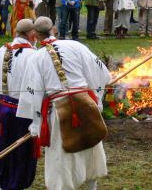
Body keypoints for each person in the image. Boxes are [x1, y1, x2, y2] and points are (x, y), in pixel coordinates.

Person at [17, 17, 110, 190]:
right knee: (90, 150)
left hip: (59, 110)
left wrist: (35, 123)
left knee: (63, 160)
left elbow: (34, 93)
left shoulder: (36, 58)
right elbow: (101, 73)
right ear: (54, 30)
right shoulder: (76, 46)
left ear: (35, 36)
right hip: (84, 104)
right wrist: (96, 100)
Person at [0, 19, 37, 190]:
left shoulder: (2, 51)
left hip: (4, 110)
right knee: (21, 154)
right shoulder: (34, 56)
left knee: (5, 147)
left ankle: (3, 183)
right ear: (31, 35)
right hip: (23, 112)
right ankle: (16, 184)